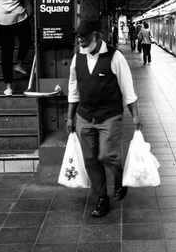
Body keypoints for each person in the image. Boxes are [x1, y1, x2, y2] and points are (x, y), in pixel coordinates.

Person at [65, 19, 142, 218]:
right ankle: (101, 197)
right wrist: (70, 117)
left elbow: (128, 89)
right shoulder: (77, 58)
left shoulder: (115, 56)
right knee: (90, 159)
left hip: (109, 115)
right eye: (78, 37)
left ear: (97, 36)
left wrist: (136, 117)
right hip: (84, 115)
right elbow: (73, 89)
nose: (80, 40)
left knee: (107, 155)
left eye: (84, 36)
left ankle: (119, 177)